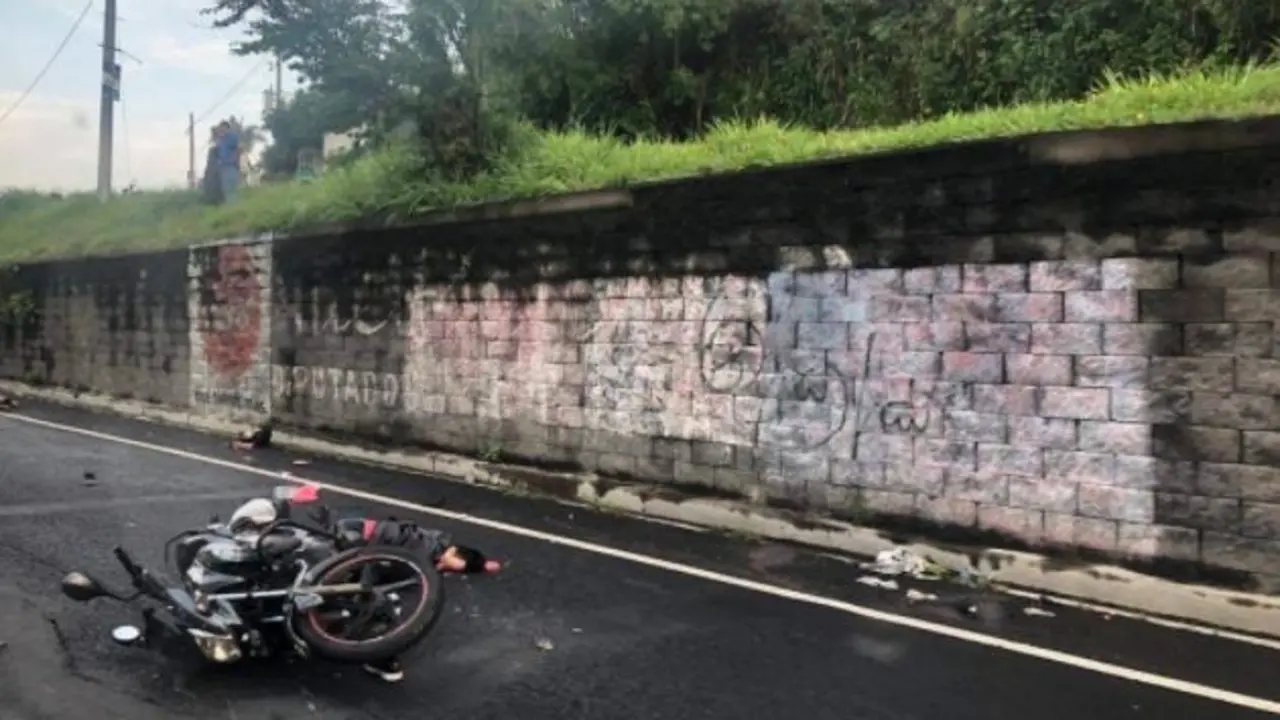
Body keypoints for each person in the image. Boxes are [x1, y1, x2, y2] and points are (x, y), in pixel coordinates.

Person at [331, 518, 502, 683]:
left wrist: (485, 566)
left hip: (366, 545)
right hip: (354, 535)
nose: (442, 568)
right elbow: (374, 567)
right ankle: (373, 651)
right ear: (452, 551)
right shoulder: (424, 550)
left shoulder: (431, 558)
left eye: (449, 569)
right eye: (446, 563)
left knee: (379, 596)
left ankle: (367, 641)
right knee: (371, 597)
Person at [213, 121, 241, 202]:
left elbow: (238, 148)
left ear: (225, 127)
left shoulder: (231, 136)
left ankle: (233, 206)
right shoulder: (222, 139)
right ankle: (231, 206)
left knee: (230, 188)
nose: (220, 130)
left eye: (221, 128)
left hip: (230, 165)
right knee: (227, 188)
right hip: (224, 166)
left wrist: (233, 159)